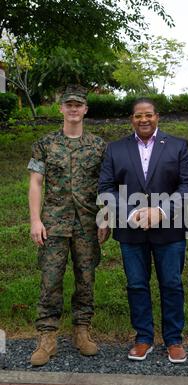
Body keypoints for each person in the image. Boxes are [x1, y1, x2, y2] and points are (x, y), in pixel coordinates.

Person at [98, 98, 188, 363]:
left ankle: (174, 340)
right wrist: (130, 214)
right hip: (130, 231)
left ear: (157, 116)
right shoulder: (115, 149)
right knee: (137, 285)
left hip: (170, 229)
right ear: (131, 118)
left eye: (149, 115)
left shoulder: (178, 146)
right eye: (138, 116)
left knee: (172, 284)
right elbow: (106, 188)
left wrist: (161, 211)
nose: (144, 120)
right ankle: (143, 338)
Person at [28, 85, 106, 366]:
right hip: (54, 224)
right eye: (68, 104)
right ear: (60, 108)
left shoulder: (99, 146)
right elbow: (36, 183)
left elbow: (105, 185)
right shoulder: (45, 144)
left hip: (87, 222)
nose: (73, 109)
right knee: (50, 281)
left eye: (78, 105)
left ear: (86, 109)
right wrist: (35, 220)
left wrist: (104, 217)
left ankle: (82, 331)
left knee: (86, 280)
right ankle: (47, 336)